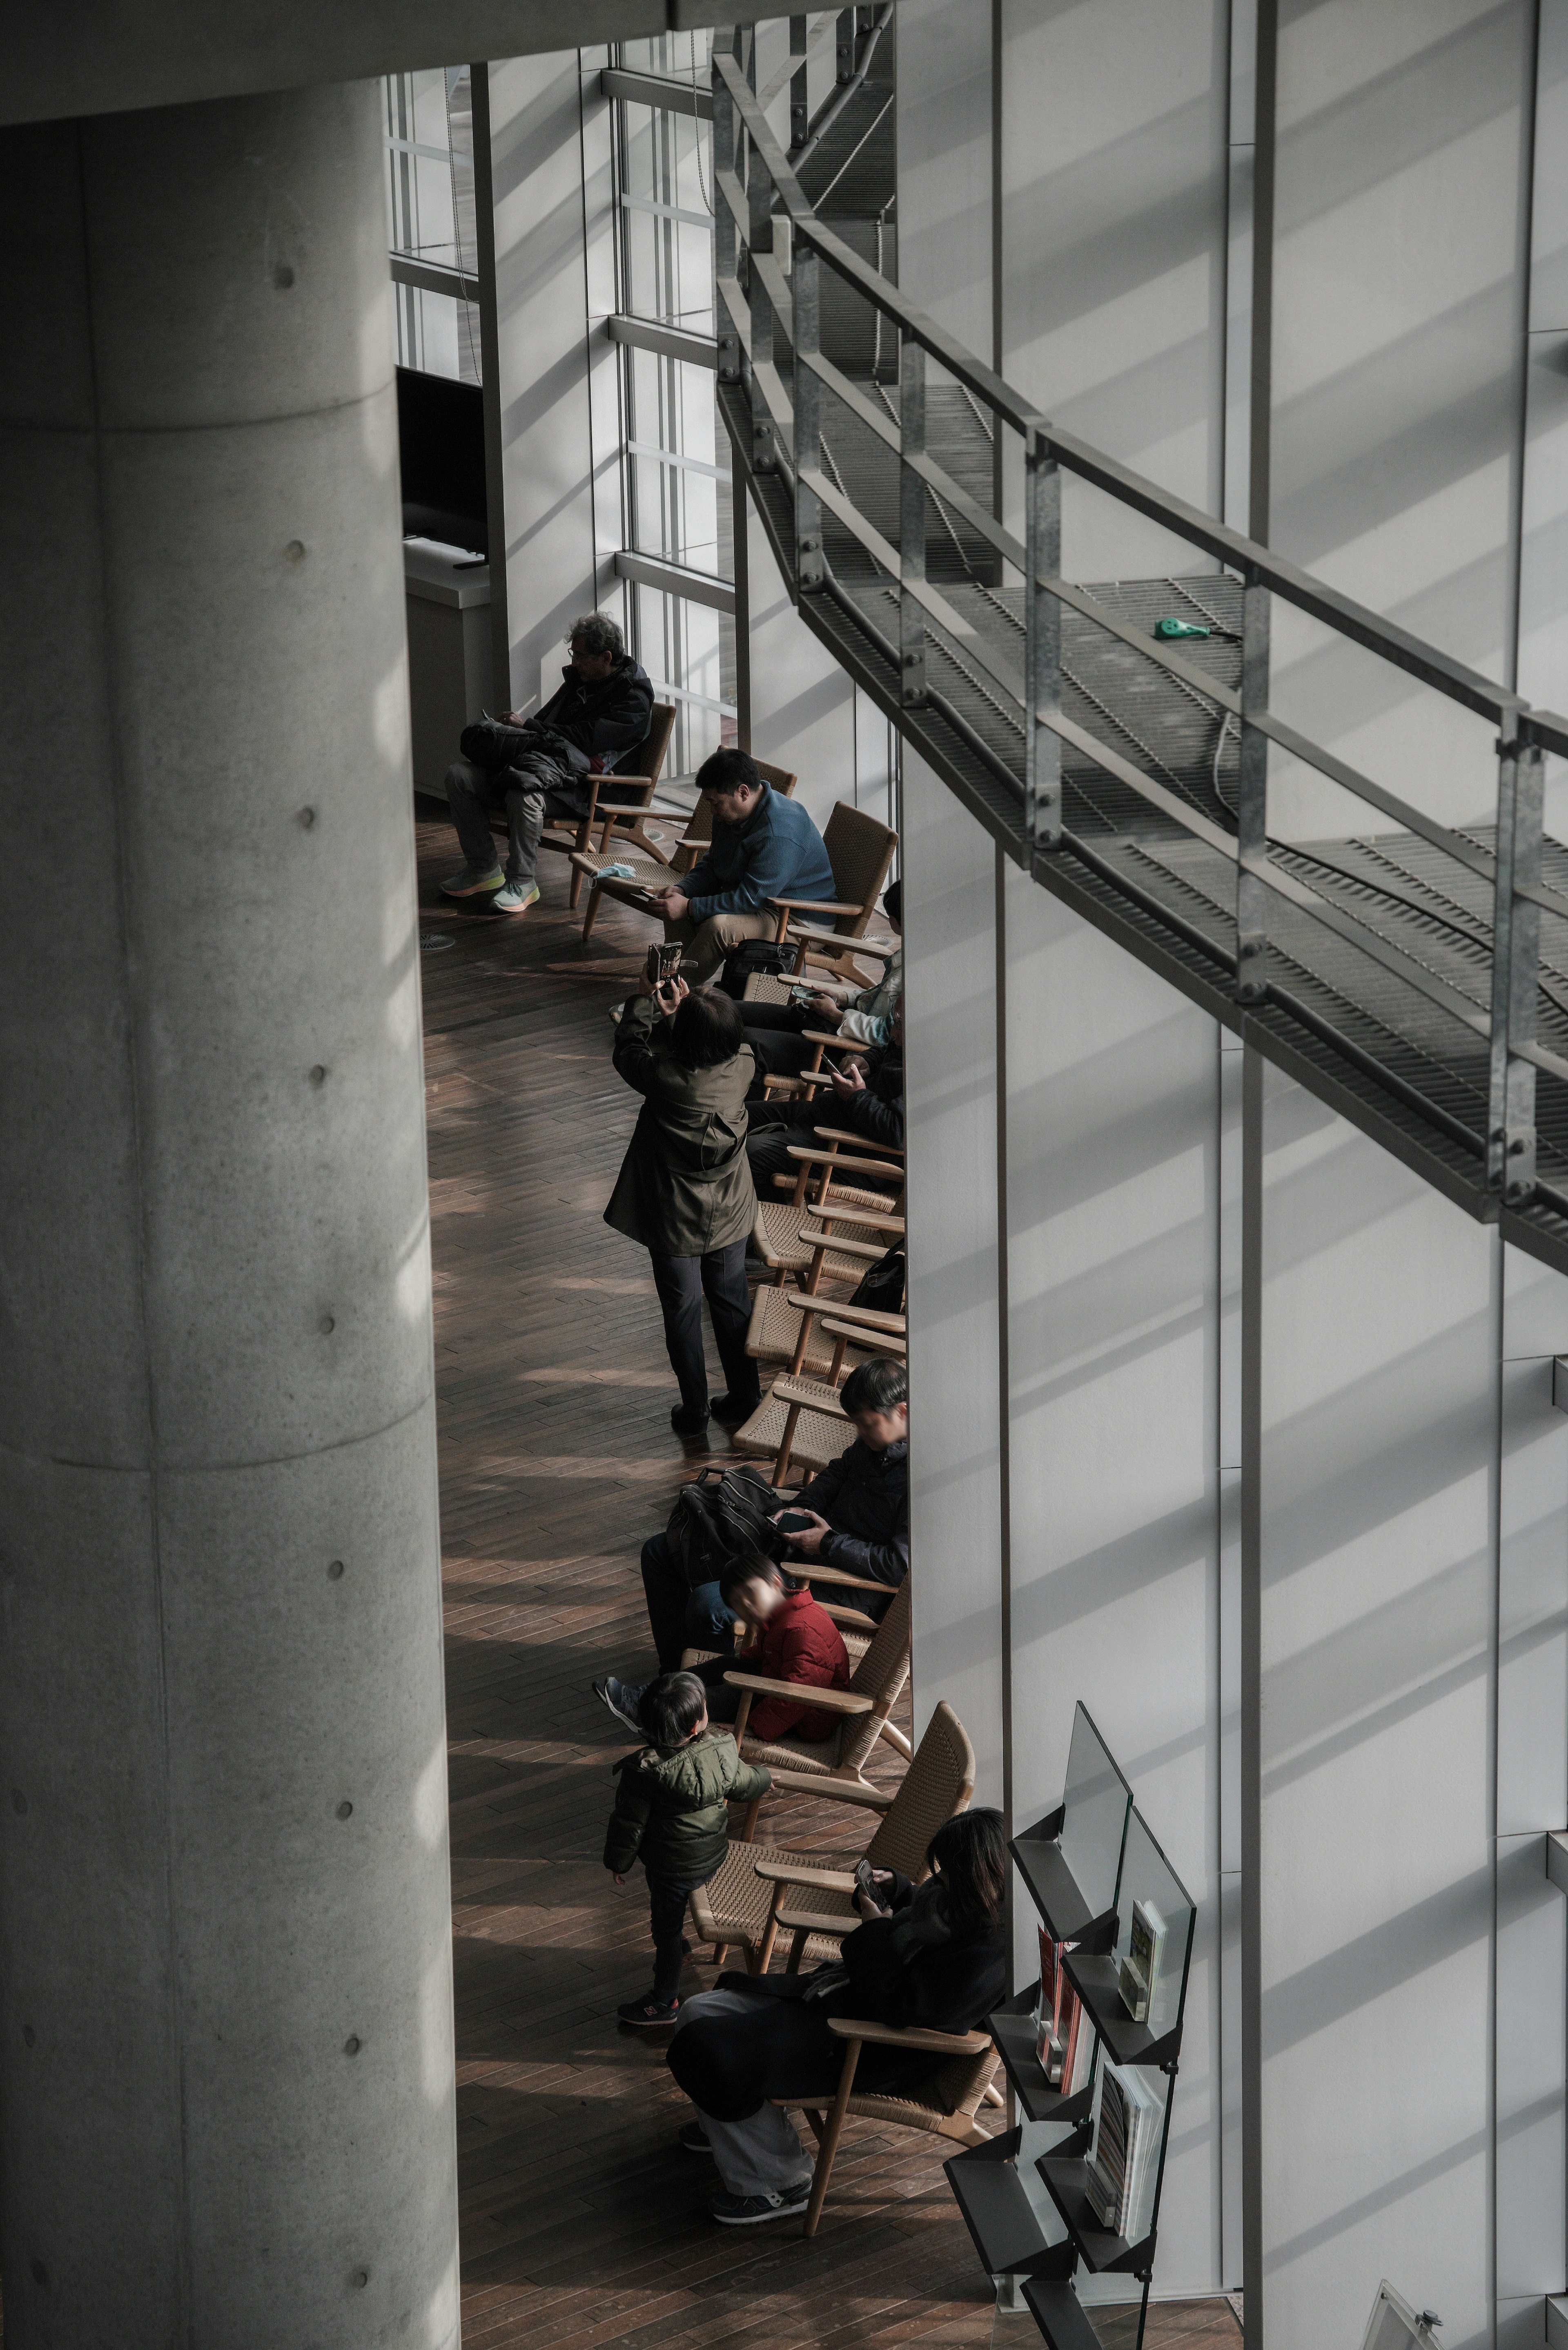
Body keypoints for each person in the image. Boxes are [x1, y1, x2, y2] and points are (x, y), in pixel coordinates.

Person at [666, 1808, 1007, 2223]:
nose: (940, 1882)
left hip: (870, 2043)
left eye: (949, 1874)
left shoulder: (991, 1956)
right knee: (701, 2010)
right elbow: (928, 1920)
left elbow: (904, 2008)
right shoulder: (962, 1905)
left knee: (713, 2050)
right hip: (837, 2000)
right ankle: (733, 2127)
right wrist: (897, 1889)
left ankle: (780, 2183)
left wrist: (875, 1929)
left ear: (977, 1878)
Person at [638, 1355, 909, 1666]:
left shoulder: (919, 1481)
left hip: (833, 1584)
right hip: (792, 1551)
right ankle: (673, 1679)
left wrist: (827, 1543)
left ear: (902, 1411)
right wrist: (799, 1508)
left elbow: (900, 1566)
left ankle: (697, 1701)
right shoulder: (873, 1443)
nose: (860, 1432)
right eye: (857, 1423)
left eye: (867, 1423)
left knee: (709, 1604)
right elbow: (837, 1473)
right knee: (660, 1551)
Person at [604, 968, 764, 1438]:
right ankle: (745, 1397)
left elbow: (628, 1052)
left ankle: (694, 1410)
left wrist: (645, 1003)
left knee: (682, 1310)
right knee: (732, 1304)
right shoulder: (746, 1066)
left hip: (675, 1216)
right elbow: (709, 1059)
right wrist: (680, 1023)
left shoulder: (665, 1078)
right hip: (731, 1208)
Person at [439, 611, 654, 914]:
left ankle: (523, 882)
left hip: (590, 790)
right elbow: (547, 727)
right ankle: (483, 869)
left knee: (522, 791)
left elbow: (587, 739)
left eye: (581, 656)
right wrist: (514, 733)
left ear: (606, 657)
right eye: (574, 654)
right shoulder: (583, 681)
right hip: (551, 771)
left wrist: (529, 727)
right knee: (459, 775)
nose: (575, 662)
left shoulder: (634, 699)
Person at [603, 1670, 772, 2030]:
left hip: (669, 1870)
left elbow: (628, 1825)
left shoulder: (645, 1772)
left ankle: (666, 1999)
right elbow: (747, 1784)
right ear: (697, 1726)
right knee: (672, 1890)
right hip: (713, 1858)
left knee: (664, 1930)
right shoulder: (723, 1750)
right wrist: (766, 1776)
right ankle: (676, 1955)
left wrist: (618, 1862)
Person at [592, 1551, 850, 1744]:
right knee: (723, 1666)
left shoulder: (802, 1629)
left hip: (810, 1717)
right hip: (781, 1687)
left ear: (774, 1582)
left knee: (720, 1698)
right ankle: (650, 1695)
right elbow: (777, 1655)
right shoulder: (786, 1614)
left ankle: (652, 1710)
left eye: (751, 1595)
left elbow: (798, 1695)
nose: (748, 1607)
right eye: (740, 1604)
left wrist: (756, 1727)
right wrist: (745, 1664)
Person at [640, 747, 835, 988]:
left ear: (743, 792)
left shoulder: (780, 832)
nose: (713, 811)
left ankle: (668, 995)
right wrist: (682, 890)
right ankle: (675, 984)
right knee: (672, 905)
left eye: (716, 803)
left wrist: (690, 907)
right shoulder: (730, 814)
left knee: (719, 928)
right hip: (763, 902)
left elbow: (749, 899)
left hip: (798, 918)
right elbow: (714, 862)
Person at [742, 879, 902, 1092]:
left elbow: (887, 1034)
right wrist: (842, 996)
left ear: (895, 920)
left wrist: (837, 1016)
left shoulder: (920, 974)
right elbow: (878, 998)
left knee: (746, 1042)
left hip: (842, 1048)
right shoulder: (907, 956)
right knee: (732, 1013)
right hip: (828, 1022)